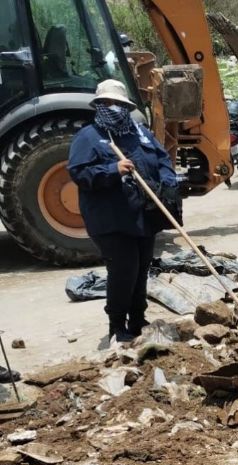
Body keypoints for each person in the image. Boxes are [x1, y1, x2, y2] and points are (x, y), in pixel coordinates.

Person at [68, 79, 177, 342]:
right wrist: (111, 170)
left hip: (144, 215)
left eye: (117, 104)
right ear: (99, 106)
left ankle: (138, 320)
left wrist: (168, 182)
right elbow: (79, 173)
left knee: (141, 270)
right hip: (112, 219)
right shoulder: (89, 137)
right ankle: (117, 325)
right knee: (123, 271)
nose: (113, 108)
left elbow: (162, 159)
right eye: (107, 104)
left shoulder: (138, 132)